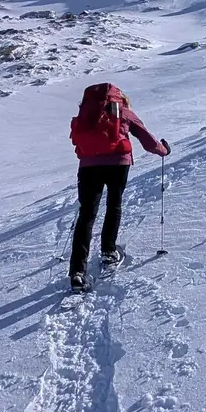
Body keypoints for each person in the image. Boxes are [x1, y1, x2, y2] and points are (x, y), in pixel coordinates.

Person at [67, 82, 169, 290]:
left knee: (86, 214)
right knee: (114, 205)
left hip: (88, 165)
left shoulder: (88, 112)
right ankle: (108, 251)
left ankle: (78, 271)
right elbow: (145, 137)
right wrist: (163, 151)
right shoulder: (123, 111)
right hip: (118, 163)